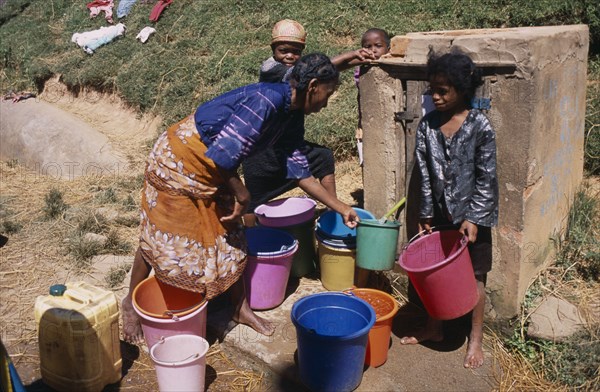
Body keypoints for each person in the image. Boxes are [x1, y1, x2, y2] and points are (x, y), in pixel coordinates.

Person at [121, 53, 361, 344]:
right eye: (328, 93)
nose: (326, 102)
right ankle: (130, 306)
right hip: (180, 160)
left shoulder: (292, 115)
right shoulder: (266, 102)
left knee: (232, 232)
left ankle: (238, 309)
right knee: (161, 233)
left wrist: (342, 207)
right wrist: (242, 192)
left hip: (214, 167)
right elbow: (222, 155)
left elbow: (300, 172)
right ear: (312, 86)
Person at [399, 50, 499, 370]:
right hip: (440, 215)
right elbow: (425, 174)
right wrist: (425, 214)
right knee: (434, 272)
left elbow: (487, 178)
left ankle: (476, 338)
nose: (436, 97)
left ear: (462, 89)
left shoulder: (480, 126)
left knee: (476, 275)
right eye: (433, 90)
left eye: (444, 91)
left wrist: (473, 217)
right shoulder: (428, 126)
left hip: (473, 218)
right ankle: (434, 328)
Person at [242, 19, 375, 226]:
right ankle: (250, 234)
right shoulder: (271, 69)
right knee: (253, 198)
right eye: (283, 50)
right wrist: (350, 55)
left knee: (322, 158)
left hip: (290, 144)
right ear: (273, 49)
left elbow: (323, 74)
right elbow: (316, 72)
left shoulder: (299, 71)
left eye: (295, 52)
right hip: (264, 151)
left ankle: (332, 211)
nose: (289, 56)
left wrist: (357, 60)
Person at [355, 28, 391, 166]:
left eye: (378, 46)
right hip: (369, 121)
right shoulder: (361, 71)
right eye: (367, 46)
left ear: (388, 49)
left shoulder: (393, 69)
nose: (373, 50)